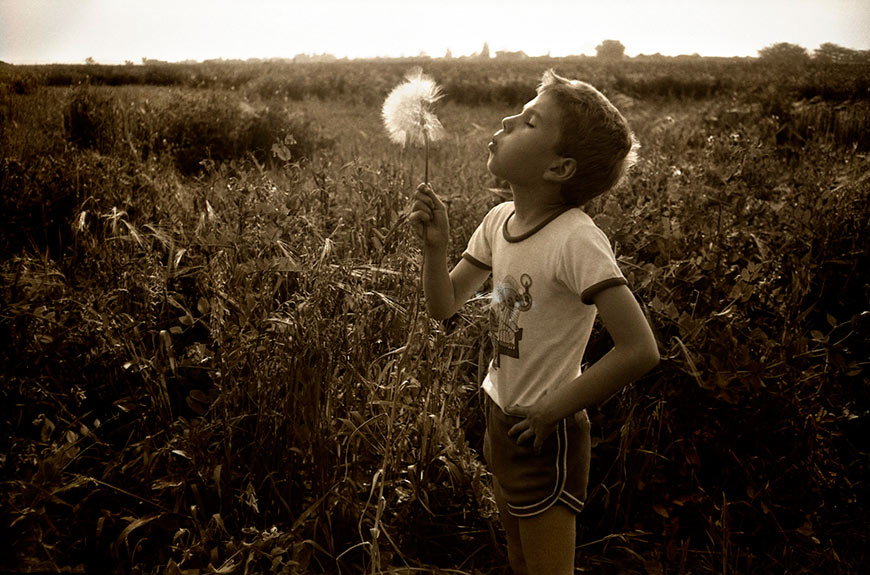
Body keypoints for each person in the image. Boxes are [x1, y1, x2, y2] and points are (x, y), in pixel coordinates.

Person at [408, 69, 660, 575]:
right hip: (502, 417)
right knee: (520, 558)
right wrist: (435, 248)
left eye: (529, 121)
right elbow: (444, 305)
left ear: (559, 168)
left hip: (546, 431)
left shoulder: (576, 239)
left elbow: (640, 349)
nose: (506, 120)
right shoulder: (497, 221)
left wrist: (550, 412)